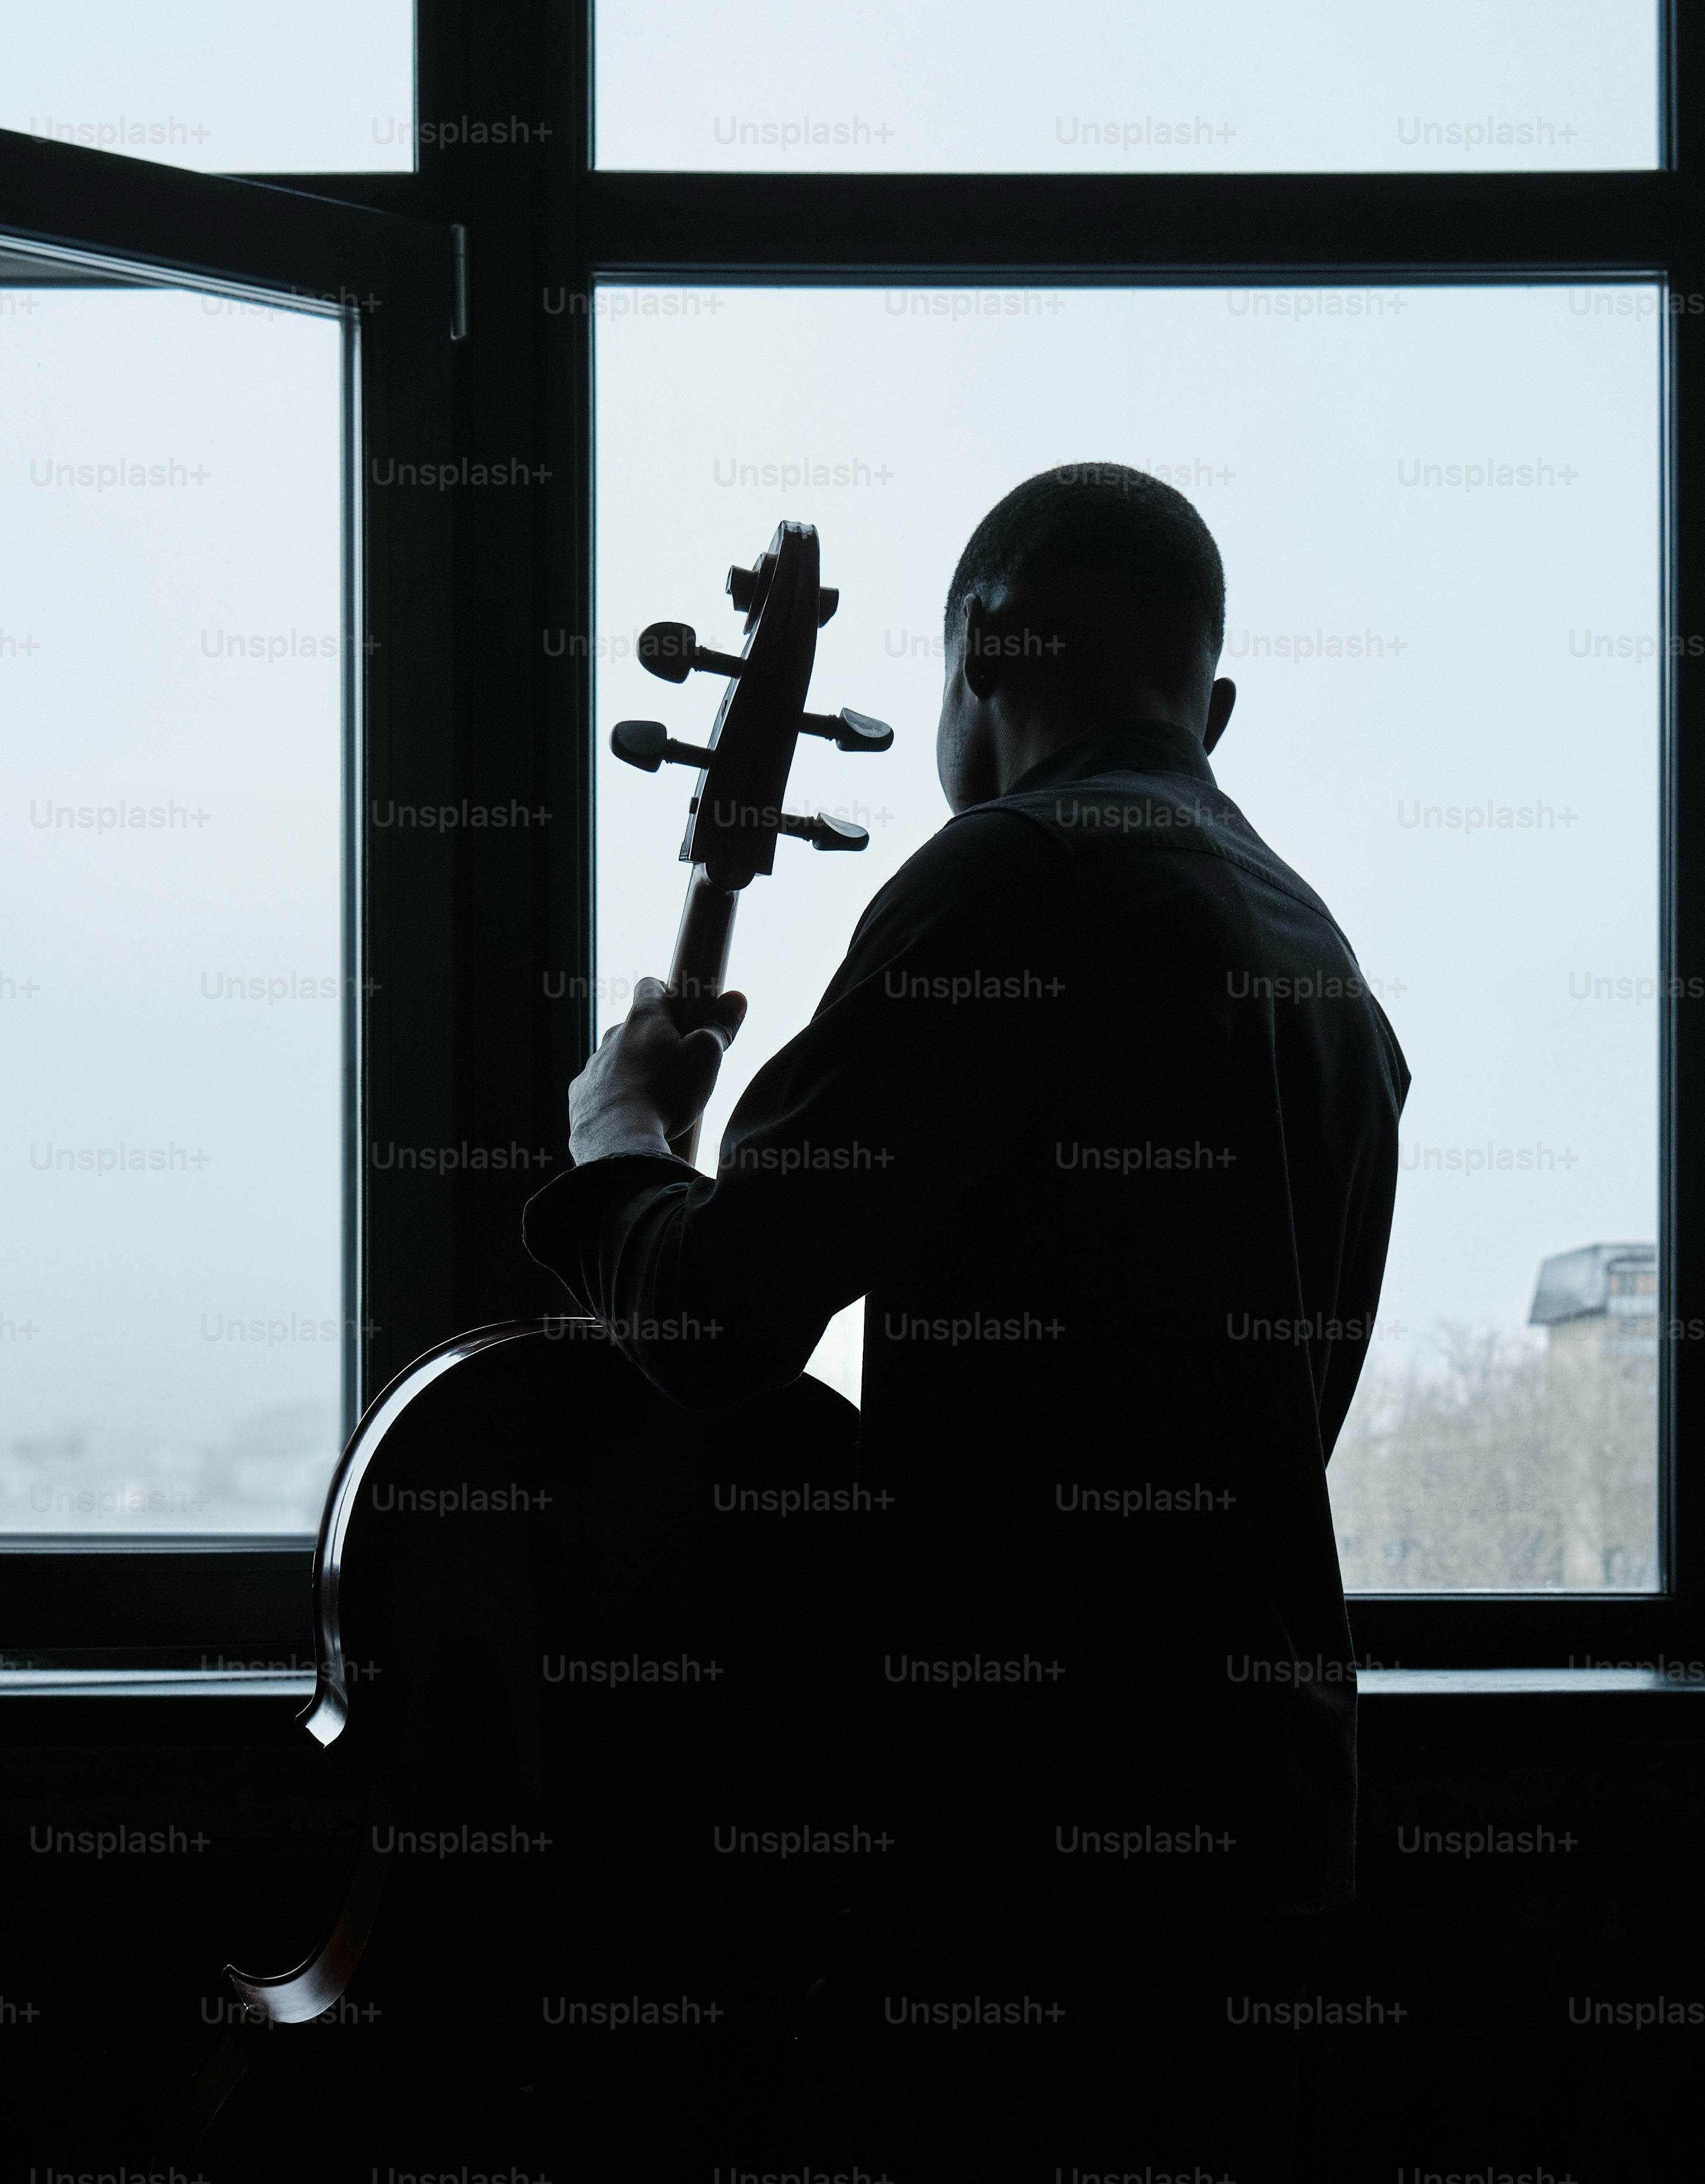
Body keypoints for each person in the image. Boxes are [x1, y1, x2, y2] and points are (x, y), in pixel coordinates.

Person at [523, 463, 1407, 2174]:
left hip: (1020, 1840)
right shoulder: (1319, 959)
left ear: (982, 651)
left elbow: (711, 1323)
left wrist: (618, 1130)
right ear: (1208, 703)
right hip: (1263, 1813)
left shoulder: (1010, 878)